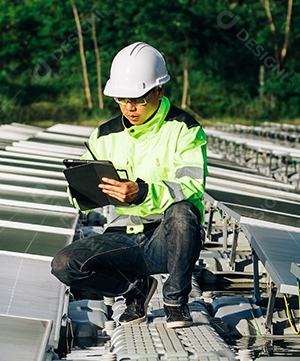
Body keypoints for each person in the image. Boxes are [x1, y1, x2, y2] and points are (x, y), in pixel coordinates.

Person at [50, 42, 207, 329]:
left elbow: (191, 186)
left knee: (183, 212)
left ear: (159, 91)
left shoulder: (184, 129)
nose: (129, 107)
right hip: (124, 237)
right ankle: (135, 288)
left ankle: (175, 302)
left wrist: (142, 192)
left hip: (168, 237)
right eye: (122, 99)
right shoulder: (104, 135)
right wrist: (82, 192)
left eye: (138, 99)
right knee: (64, 264)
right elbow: (79, 193)